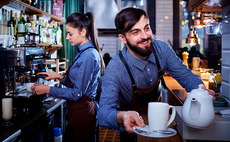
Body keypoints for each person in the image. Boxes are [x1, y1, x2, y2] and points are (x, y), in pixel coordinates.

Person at [97, 7, 215, 141]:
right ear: (123, 38)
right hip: (131, 127)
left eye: (146, 28)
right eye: (135, 32)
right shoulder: (115, 67)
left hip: (160, 125)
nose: (145, 36)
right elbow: (103, 114)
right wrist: (122, 116)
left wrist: (200, 89)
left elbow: (186, 76)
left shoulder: (162, 49)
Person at [31, 12, 105, 142]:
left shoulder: (88, 56)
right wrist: (58, 76)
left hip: (84, 115)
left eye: (70, 34)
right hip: (79, 113)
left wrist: (47, 90)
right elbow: (79, 84)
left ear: (83, 32)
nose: (67, 37)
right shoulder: (82, 52)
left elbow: (77, 93)